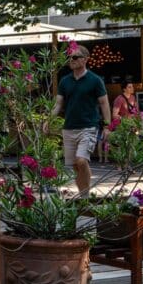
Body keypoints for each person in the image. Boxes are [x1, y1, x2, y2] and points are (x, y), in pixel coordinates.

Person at [50, 45, 111, 196]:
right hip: (69, 128)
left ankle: (85, 196)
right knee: (76, 166)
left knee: (81, 161)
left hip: (88, 126)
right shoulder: (65, 81)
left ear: (85, 60)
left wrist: (107, 126)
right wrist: (49, 120)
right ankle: (84, 198)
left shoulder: (95, 80)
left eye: (75, 57)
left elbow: (104, 103)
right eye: (70, 57)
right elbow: (58, 104)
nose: (72, 60)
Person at [103, 80, 137, 163]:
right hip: (122, 126)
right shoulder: (119, 99)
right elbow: (114, 115)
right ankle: (120, 165)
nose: (132, 88)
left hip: (132, 125)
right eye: (130, 87)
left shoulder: (133, 98)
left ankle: (128, 165)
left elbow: (136, 111)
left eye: (132, 86)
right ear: (124, 89)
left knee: (131, 145)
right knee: (121, 146)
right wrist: (124, 120)